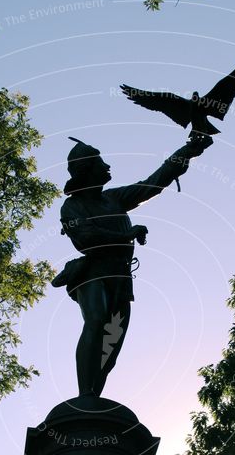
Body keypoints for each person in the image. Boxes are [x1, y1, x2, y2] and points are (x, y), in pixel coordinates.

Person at [54, 134, 213, 396]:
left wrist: (188, 150)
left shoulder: (113, 199)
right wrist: (126, 235)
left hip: (121, 278)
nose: (106, 167)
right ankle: (84, 399)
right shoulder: (72, 207)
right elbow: (87, 238)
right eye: (99, 163)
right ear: (86, 171)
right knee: (96, 321)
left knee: (111, 347)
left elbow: (152, 184)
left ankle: (94, 400)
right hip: (92, 274)